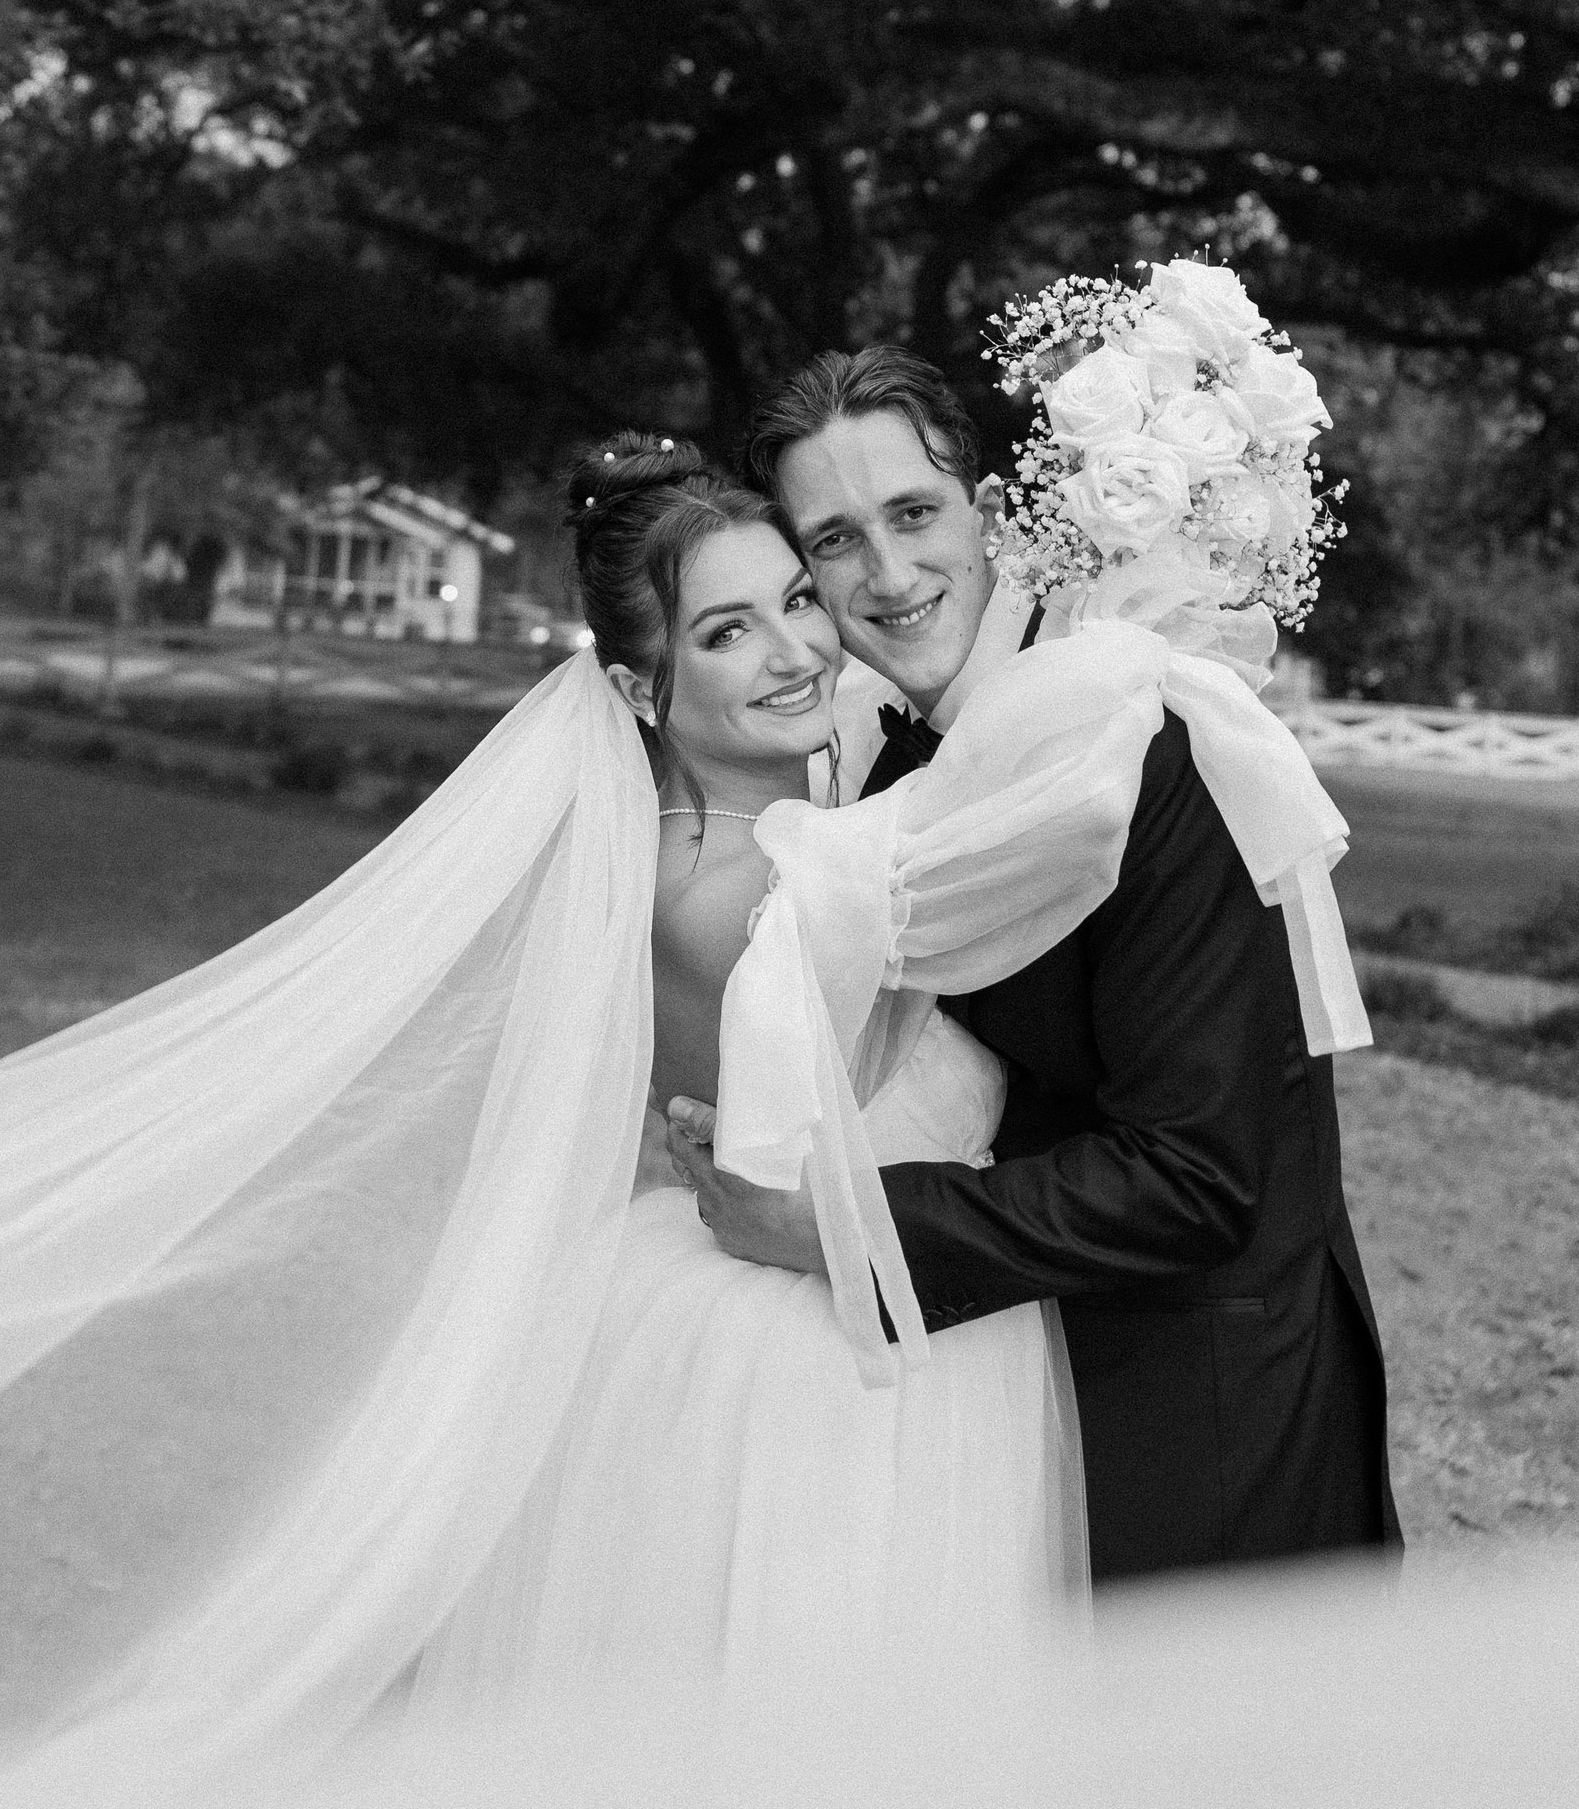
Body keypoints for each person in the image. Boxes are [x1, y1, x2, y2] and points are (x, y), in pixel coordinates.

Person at [671, 342, 1399, 1582]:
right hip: (1028, 1381)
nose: (887, 574)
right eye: (836, 540)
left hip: (1210, 1418)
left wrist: (842, 1227)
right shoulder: (897, 761)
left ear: (993, 513)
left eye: (913, 514)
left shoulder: (1143, 749)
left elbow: (1197, 1177)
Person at [417, 439, 1085, 1709]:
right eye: (726, 633)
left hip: (849, 1288)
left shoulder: (748, 832)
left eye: (794, 600)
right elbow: (1029, 843)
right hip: (827, 1350)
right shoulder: (742, 889)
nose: (795, 653)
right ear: (636, 684)